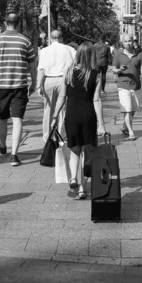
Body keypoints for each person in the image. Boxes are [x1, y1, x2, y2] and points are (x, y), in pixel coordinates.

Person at [0, 12, 37, 167]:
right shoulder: (25, 41)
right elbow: (33, 66)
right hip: (20, 86)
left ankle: (2, 144)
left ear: (5, 23)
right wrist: (34, 83)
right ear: (18, 24)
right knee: (18, 119)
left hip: (1, 86)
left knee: (2, 118)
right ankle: (14, 155)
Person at [52, 42, 106, 199]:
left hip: (72, 116)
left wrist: (55, 116)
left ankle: (74, 179)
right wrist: (101, 124)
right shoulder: (95, 74)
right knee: (87, 152)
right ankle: (82, 188)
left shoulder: (68, 72)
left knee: (75, 150)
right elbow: (97, 101)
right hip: (88, 116)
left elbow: (62, 96)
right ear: (92, 56)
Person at [36, 29, 76, 142]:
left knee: (48, 109)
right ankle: (62, 135)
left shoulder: (44, 51)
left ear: (50, 39)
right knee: (63, 109)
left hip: (49, 80)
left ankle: (48, 136)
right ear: (62, 38)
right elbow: (75, 66)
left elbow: (42, 69)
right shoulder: (70, 50)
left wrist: (39, 85)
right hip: (65, 80)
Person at [112, 33, 142, 141]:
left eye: (130, 41)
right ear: (122, 43)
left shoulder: (139, 55)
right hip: (123, 85)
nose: (128, 43)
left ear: (134, 41)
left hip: (136, 85)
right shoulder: (118, 55)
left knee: (133, 109)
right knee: (127, 109)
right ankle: (131, 132)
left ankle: (124, 126)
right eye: (126, 41)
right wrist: (119, 70)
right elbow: (113, 69)